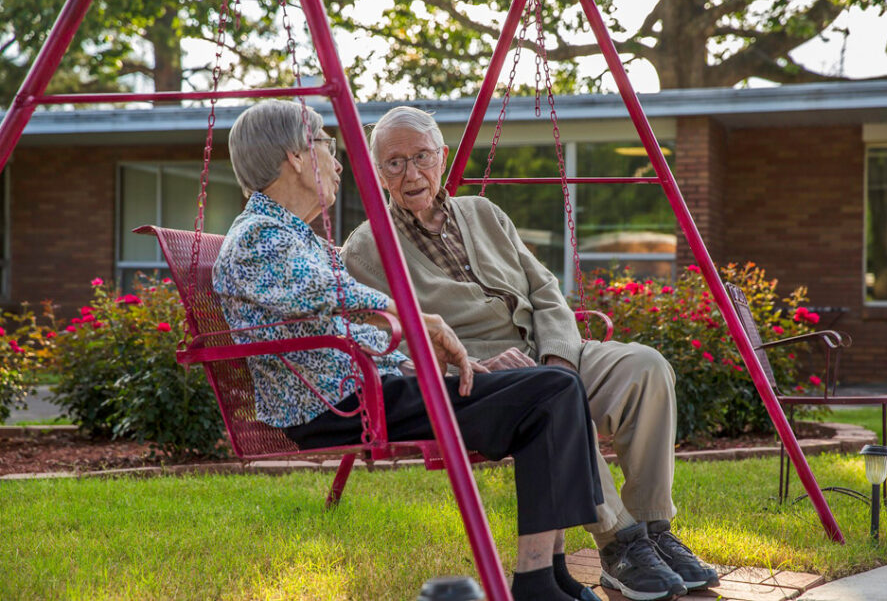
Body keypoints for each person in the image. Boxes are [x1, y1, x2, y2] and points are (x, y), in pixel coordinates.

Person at [212, 100, 606, 601]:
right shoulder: (259, 238)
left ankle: (550, 577)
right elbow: (332, 296)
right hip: (342, 404)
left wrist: (433, 356)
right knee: (549, 391)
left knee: (555, 388)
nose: (336, 164)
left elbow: (342, 312)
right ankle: (535, 584)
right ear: (296, 156)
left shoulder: (291, 236)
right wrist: (421, 321)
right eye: (328, 148)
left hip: (374, 388)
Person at [342, 106, 721, 601]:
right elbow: (388, 338)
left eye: (421, 157)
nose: (411, 173)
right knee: (555, 399)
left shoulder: (483, 213)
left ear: (443, 157)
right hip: (482, 376)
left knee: (645, 366)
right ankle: (620, 545)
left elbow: (545, 290)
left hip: (547, 351)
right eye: (394, 163)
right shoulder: (367, 248)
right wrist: (468, 362)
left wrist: (560, 356)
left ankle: (653, 530)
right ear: (376, 172)